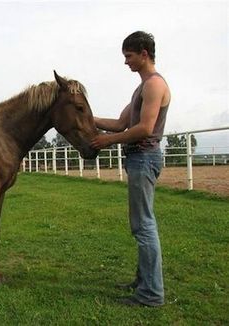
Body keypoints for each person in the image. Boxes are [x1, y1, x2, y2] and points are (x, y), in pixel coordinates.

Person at [90, 31, 171, 307]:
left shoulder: (154, 86)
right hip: (140, 158)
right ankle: (144, 281)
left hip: (144, 157)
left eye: (129, 56)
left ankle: (150, 294)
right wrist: (87, 118)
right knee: (142, 224)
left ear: (144, 54)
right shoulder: (141, 87)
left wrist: (107, 141)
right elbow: (121, 122)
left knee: (144, 226)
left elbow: (145, 128)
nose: (126, 62)